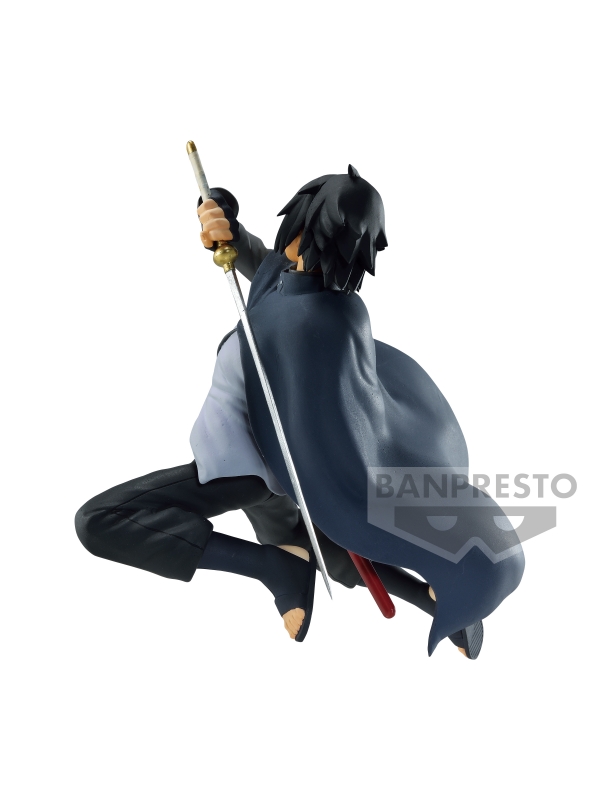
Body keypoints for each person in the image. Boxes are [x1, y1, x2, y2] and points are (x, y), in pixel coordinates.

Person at [76, 166, 525, 657]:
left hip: (250, 461)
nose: (288, 248)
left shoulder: (313, 320)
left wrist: (327, 493)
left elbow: (321, 413)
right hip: (264, 452)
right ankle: (419, 595)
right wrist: (226, 221)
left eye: (300, 237)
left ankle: (275, 567)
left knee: (101, 520)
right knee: (313, 540)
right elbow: (267, 271)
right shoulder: (310, 290)